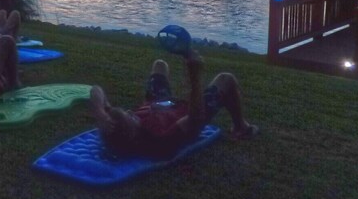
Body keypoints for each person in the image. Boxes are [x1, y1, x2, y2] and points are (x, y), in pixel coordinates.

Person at [90, 52, 257, 160]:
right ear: (133, 133)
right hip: (191, 111)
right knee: (226, 79)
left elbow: (95, 89)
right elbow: (195, 118)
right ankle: (240, 127)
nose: (129, 111)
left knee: (160, 65)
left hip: (158, 103)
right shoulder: (160, 137)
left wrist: (100, 112)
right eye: (130, 116)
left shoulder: (124, 126)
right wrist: (194, 76)